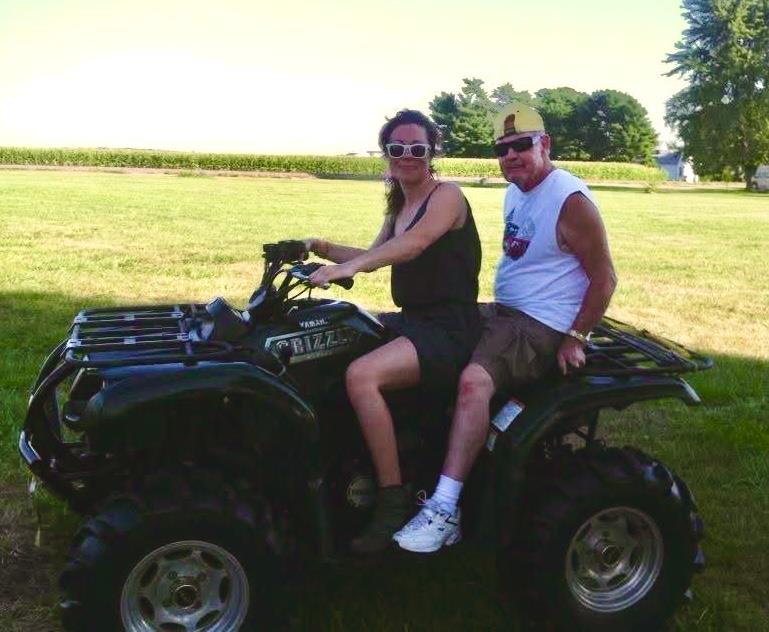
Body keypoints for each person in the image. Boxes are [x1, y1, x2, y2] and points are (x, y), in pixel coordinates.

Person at [394, 102, 617, 553]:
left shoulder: (569, 199)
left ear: (545, 144)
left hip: (541, 323)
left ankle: (444, 507)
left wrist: (576, 337)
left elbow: (605, 276)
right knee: (425, 336)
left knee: (475, 381)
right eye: (503, 148)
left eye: (521, 145)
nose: (511, 155)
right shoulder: (516, 190)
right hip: (505, 312)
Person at [305, 109, 482, 553]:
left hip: (448, 328)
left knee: (362, 375)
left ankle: (391, 500)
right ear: (386, 153)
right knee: (332, 341)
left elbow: (413, 245)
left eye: (417, 149)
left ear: (431, 154)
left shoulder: (448, 196)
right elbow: (378, 252)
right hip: (414, 320)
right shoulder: (399, 204)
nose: (407, 156)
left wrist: (346, 268)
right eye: (397, 148)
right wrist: (318, 248)